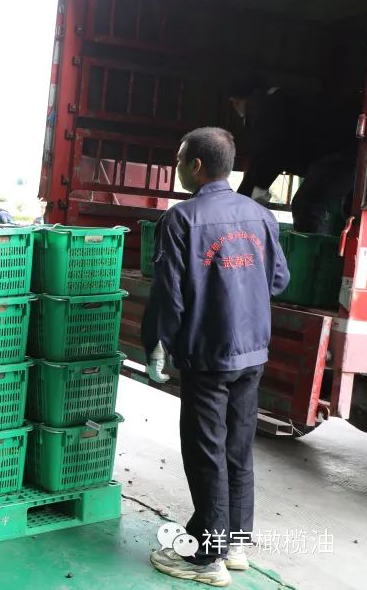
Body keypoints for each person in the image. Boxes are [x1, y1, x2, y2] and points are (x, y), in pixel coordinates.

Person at [143, 127, 289, 586]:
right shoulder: (260, 216)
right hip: (252, 351)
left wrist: (157, 345)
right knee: (237, 449)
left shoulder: (181, 219)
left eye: (179, 160)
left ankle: (207, 557)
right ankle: (236, 544)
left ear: (197, 165)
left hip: (207, 354)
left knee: (206, 453)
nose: (177, 168)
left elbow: (170, 296)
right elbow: (279, 280)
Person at [229, 77, 358, 234]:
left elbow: (270, 152)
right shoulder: (280, 99)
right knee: (352, 211)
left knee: (306, 205)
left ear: (236, 101)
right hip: (354, 148)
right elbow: (264, 156)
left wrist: (255, 191)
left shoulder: (263, 107)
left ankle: (312, 250)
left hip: (343, 153)